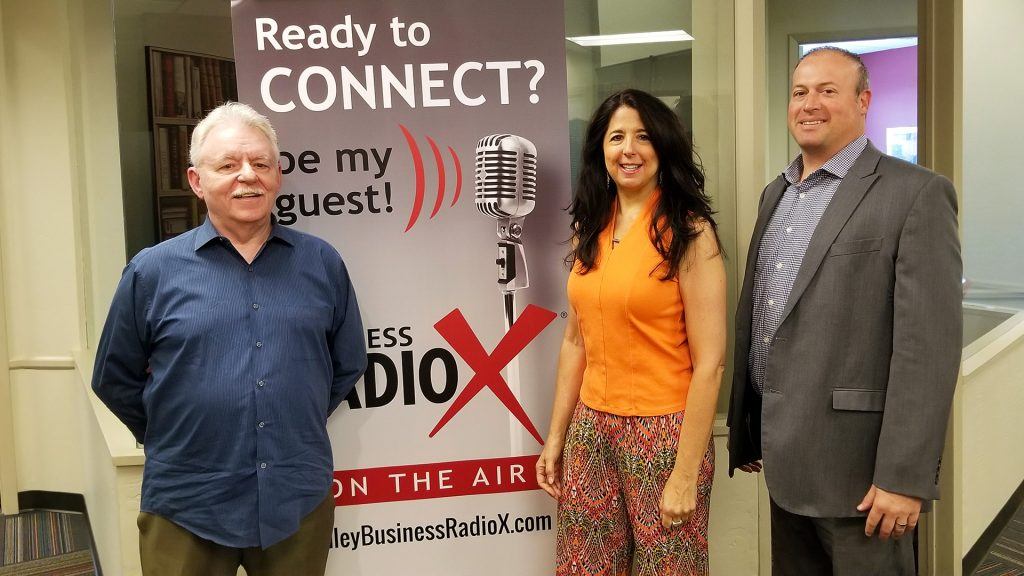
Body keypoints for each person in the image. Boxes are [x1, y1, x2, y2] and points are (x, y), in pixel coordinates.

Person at [92, 102, 367, 576]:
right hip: (186, 504)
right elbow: (113, 377)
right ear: (197, 181)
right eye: (228, 165)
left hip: (294, 500)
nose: (248, 176)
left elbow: (345, 364)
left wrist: (286, 416)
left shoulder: (321, 263)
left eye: (260, 164)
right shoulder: (152, 271)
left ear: (278, 175)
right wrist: (176, 434)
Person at [727, 47, 961, 575]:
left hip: (861, 472)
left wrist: (903, 476)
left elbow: (928, 350)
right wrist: (752, 424)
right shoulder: (777, 194)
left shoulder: (916, 193)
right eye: (800, 91)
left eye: (828, 91)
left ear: (863, 102)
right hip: (784, 456)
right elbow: (767, 317)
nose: (810, 104)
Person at [536, 89, 726, 575]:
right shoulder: (590, 229)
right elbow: (576, 340)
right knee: (585, 567)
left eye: (643, 137)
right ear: (601, 149)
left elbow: (711, 364)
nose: (629, 149)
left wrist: (685, 475)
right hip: (592, 428)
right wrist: (556, 438)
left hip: (664, 433)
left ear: (662, 148)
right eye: (617, 136)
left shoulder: (690, 232)